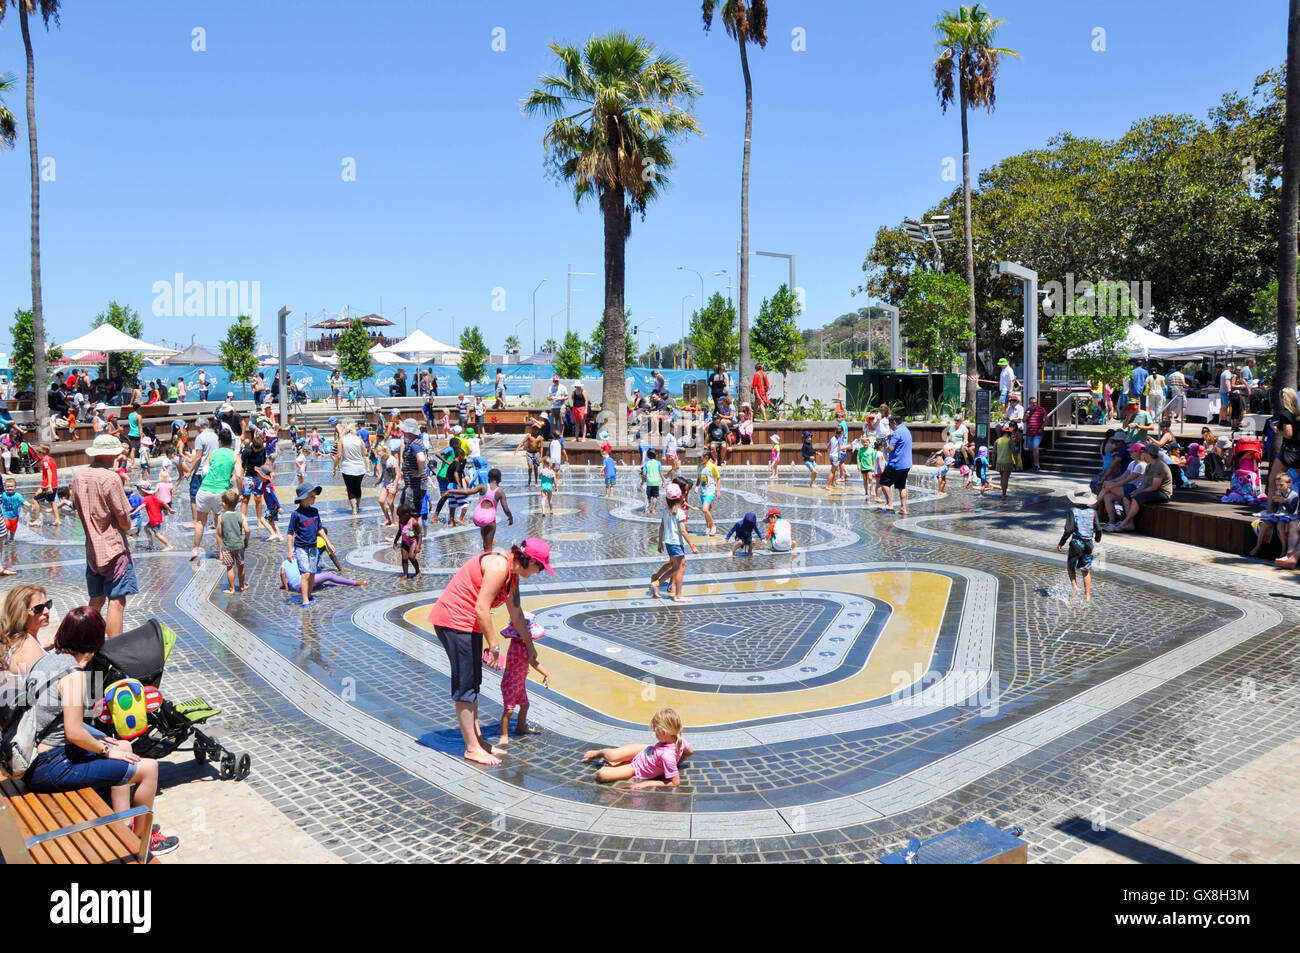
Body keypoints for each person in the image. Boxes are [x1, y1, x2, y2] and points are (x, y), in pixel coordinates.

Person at [11, 607, 180, 855]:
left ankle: (123, 825)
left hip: (34, 753)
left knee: (124, 746)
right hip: (49, 766)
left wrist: (109, 744)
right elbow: (74, 732)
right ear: (95, 639)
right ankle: (142, 847)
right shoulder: (74, 675)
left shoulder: (47, 660)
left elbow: (62, 723)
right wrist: (104, 750)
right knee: (149, 768)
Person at [427, 539, 554, 766]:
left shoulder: (512, 575)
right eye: (540, 567)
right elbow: (482, 607)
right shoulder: (499, 567)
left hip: (470, 624)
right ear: (531, 560)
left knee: (474, 682)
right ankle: (472, 748)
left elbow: (516, 615)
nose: (539, 571)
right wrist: (494, 647)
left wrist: (531, 650)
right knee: (465, 685)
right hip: (454, 622)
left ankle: (478, 741)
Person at [69, 434, 136, 639]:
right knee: (116, 601)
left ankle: (86, 642)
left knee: (96, 599)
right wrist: (129, 526)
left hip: (92, 549)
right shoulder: (110, 477)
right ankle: (114, 652)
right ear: (108, 454)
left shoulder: (79, 476)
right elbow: (122, 517)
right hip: (113, 548)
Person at [582, 708, 692, 787]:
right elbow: (689, 752)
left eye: (655, 731)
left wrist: (648, 783)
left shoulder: (668, 756)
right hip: (644, 750)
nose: (654, 733)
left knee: (602, 774)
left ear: (663, 732)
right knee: (612, 755)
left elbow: (675, 782)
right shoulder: (681, 740)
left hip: (637, 767)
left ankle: (621, 763)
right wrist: (676, 762)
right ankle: (599, 753)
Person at [497, 612, 550, 747]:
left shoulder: (519, 643)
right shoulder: (520, 647)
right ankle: (504, 735)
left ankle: (520, 728)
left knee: (525, 705)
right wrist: (546, 674)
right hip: (510, 683)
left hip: (519, 683)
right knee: (508, 710)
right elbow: (534, 662)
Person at [191, 426, 242, 561]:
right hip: (220, 492)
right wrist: (240, 492)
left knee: (200, 522)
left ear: (219, 441)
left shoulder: (213, 453)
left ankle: (195, 549)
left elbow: (204, 471)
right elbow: (239, 476)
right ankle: (221, 552)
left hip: (204, 490)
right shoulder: (235, 455)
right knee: (220, 522)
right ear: (231, 442)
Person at [649, 484, 697, 603]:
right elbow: (683, 531)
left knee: (680, 567)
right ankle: (659, 584)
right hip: (676, 543)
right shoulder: (680, 512)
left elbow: (661, 527)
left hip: (669, 543)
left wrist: (660, 542)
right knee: (678, 568)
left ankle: (676, 593)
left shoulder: (665, 511)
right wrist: (692, 545)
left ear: (667, 499)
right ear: (681, 498)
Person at [1058, 486, 1104, 602]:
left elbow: (1068, 530)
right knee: (1085, 570)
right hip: (1088, 544)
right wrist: (1097, 538)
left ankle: (1075, 587)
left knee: (1070, 566)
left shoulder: (1072, 511)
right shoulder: (1093, 512)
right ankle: (1088, 596)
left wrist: (1061, 543)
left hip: (1076, 544)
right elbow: (1098, 528)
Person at [1112, 444, 1172, 532]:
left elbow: (1155, 487)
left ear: (1149, 454)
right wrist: (1136, 491)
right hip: (1152, 491)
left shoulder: (1159, 466)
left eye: (1145, 453)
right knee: (1127, 497)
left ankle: (1124, 523)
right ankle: (1130, 524)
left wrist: (1138, 493)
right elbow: (1144, 484)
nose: (1143, 454)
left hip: (1162, 493)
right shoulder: (1149, 466)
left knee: (1136, 498)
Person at [2, 585, 55, 676]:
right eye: (39, 608)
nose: (46, 611)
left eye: (48, 605)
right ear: (21, 613)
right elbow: (48, 686)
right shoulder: (28, 647)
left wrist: (45, 647)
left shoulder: (15, 639)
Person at [287, 483, 324, 607]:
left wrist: (328, 542)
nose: (314, 498)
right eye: (312, 496)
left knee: (312, 573)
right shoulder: (296, 514)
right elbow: (290, 533)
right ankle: (305, 600)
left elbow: (319, 529)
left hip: (313, 547)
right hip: (301, 548)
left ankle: (309, 595)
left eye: (314, 496)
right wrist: (289, 551)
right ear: (303, 498)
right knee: (306, 573)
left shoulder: (315, 511)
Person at [878, 415, 912, 515]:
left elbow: (891, 448)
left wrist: (886, 445)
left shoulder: (896, 433)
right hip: (906, 464)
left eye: (890, 424)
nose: (890, 426)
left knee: (884, 483)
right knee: (902, 486)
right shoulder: (906, 430)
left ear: (894, 423)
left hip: (896, 464)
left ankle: (890, 504)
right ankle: (903, 508)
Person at [217, 488, 250, 593]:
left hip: (227, 547)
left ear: (224, 504)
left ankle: (231, 589)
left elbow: (219, 533)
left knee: (230, 567)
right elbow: (248, 530)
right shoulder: (241, 515)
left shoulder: (221, 517)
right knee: (241, 566)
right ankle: (241, 586)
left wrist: (220, 549)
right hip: (239, 545)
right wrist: (246, 541)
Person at [1, 477, 36, 572]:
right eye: (7, 487)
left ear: (15, 487)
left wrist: (29, 505)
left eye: (11, 487)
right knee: (6, 525)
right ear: (4, 487)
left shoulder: (17, 495)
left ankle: (11, 538)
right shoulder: (3, 494)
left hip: (14, 515)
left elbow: (23, 501)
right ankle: (5, 538)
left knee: (13, 528)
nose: (9, 488)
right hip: (5, 514)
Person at [279, 556, 366, 593]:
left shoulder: (284, 563)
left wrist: (286, 587)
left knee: (326, 585)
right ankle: (355, 583)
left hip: (298, 588)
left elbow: (282, 573)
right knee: (328, 575)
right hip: (303, 584)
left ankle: (346, 583)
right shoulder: (299, 559)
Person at [398, 418, 427, 515]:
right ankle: (409, 530)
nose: (402, 433)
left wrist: (419, 473)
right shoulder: (416, 442)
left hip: (414, 485)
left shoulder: (415, 444)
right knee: (410, 513)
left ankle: (410, 530)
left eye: (404, 431)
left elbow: (421, 459)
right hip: (413, 485)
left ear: (409, 433)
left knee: (409, 514)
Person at [135, 480, 174, 552]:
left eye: (139, 489)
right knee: (146, 528)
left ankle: (169, 545)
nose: (138, 491)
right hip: (155, 518)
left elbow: (142, 506)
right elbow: (164, 503)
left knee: (157, 534)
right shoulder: (152, 496)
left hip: (155, 519)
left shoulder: (146, 498)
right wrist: (170, 509)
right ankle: (151, 544)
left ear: (143, 490)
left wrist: (134, 512)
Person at [393, 503, 422, 579]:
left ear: (407, 514)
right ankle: (405, 574)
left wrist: (418, 545)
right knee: (404, 559)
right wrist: (395, 541)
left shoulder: (414, 522)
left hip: (413, 542)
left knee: (411, 557)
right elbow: (399, 531)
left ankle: (418, 571)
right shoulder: (401, 522)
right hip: (405, 542)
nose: (399, 518)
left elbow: (419, 533)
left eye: (400, 516)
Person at [697, 456, 721, 536]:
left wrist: (718, 490)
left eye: (701, 458)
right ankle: (708, 528)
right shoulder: (699, 466)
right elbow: (699, 477)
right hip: (702, 491)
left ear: (706, 457)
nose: (699, 460)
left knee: (704, 509)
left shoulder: (712, 466)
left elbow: (718, 478)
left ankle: (713, 526)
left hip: (710, 490)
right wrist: (697, 486)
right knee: (707, 510)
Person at [1023, 396, 1047, 471]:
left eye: (1035, 403)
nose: (1034, 404)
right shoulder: (1027, 410)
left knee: (1035, 447)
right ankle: (1033, 464)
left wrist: (1042, 427)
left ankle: (1037, 464)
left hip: (1038, 433)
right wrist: (1026, 416)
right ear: (1029, 404)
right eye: (1032, 403)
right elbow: (1023, 421)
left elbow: (1047, 419)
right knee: (1031, 449)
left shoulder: (1041, 409)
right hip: (1030, 433)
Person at [994, 424, 1015, 498]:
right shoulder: (1010, 441)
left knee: (1002, 477)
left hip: (999, 462)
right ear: (1009, 434)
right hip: (1007, 462)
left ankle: (1003, 492)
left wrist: (993, 463)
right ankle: (1004, 493)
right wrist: (1016, 463)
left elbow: (994, 453)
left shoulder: (997, 441)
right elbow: (1014, 453)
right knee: (1006, 477)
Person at [642, 448, 663, 513]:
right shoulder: (658, 463)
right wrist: (663, 481)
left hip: (649, 483)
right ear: (656, 455)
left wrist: (642, 482)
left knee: (648, 497)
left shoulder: (646, 463)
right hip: (656, 483)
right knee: (655, 496)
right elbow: (661, 473)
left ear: (648, 456)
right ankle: (653, 510)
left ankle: (648, 509)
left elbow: (644, 474)